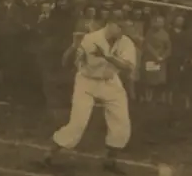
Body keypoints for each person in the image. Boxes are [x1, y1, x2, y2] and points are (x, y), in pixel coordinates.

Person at [38, 17, 137, 175]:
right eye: (120, 27)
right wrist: (76, 48)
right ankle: (48, 156)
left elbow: (127, 66)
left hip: (111, 81)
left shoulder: (125, 42)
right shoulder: (91, 39)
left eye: (125, 28)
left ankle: (110, 161)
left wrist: (107, 56)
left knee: (122, 122)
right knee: (78, 123)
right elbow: (72, 62)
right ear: (110, 25)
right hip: (87, 81)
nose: (123, 31)